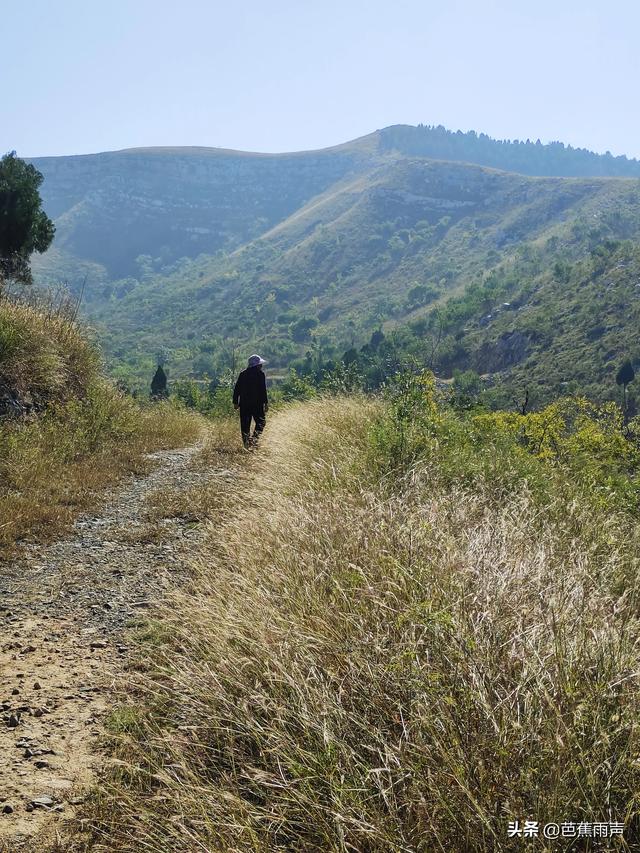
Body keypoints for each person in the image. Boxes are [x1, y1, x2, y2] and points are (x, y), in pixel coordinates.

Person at [233, 354, 268, 448]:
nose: (261, 366)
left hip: (244, 404)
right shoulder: (260, 374)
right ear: (257, 365)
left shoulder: (243, 374)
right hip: (257, 404)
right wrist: (266, 403)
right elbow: (263, 390)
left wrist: (235, 402)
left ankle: (247, 445)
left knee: (245, 425)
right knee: (261, 422)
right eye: (260, 364)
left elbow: (237, 389)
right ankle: (254, 440)